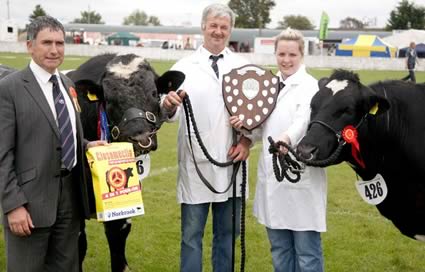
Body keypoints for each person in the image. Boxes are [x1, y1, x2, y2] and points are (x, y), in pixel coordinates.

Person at [0, 16, 105, 272]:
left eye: (60, 43)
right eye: (46, 42)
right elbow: (2, 153)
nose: (54, 50)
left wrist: (87, 145)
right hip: (30, 202)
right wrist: (13, 205)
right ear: (29, 46)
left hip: (70, 199)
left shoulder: (68, 85)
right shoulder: (9, 88)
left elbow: (64, 134)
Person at [161, 3, 251, 272]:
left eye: (224, 27)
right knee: (191, 237)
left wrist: (247, 141)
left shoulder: (244, 66)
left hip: (231, 163)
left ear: (230, 31)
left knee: (227, 236)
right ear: (203, 27)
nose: (218, 31)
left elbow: (256, 115)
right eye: (213, 25)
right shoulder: (183, 67)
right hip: (195, 163)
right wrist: (168, 105)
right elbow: (168, 112)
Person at [231, 28, 327, 272]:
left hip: (300, 176)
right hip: (273, 180)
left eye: (292, 54)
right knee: (280, 250)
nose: (286, 60)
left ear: (301, 55)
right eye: (281, 54)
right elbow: (260, 125)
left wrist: (285, 139)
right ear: (275, 54)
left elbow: (303, 120)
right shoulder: (269, 86)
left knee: (307, 254)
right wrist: (245, 127)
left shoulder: (311, 87)